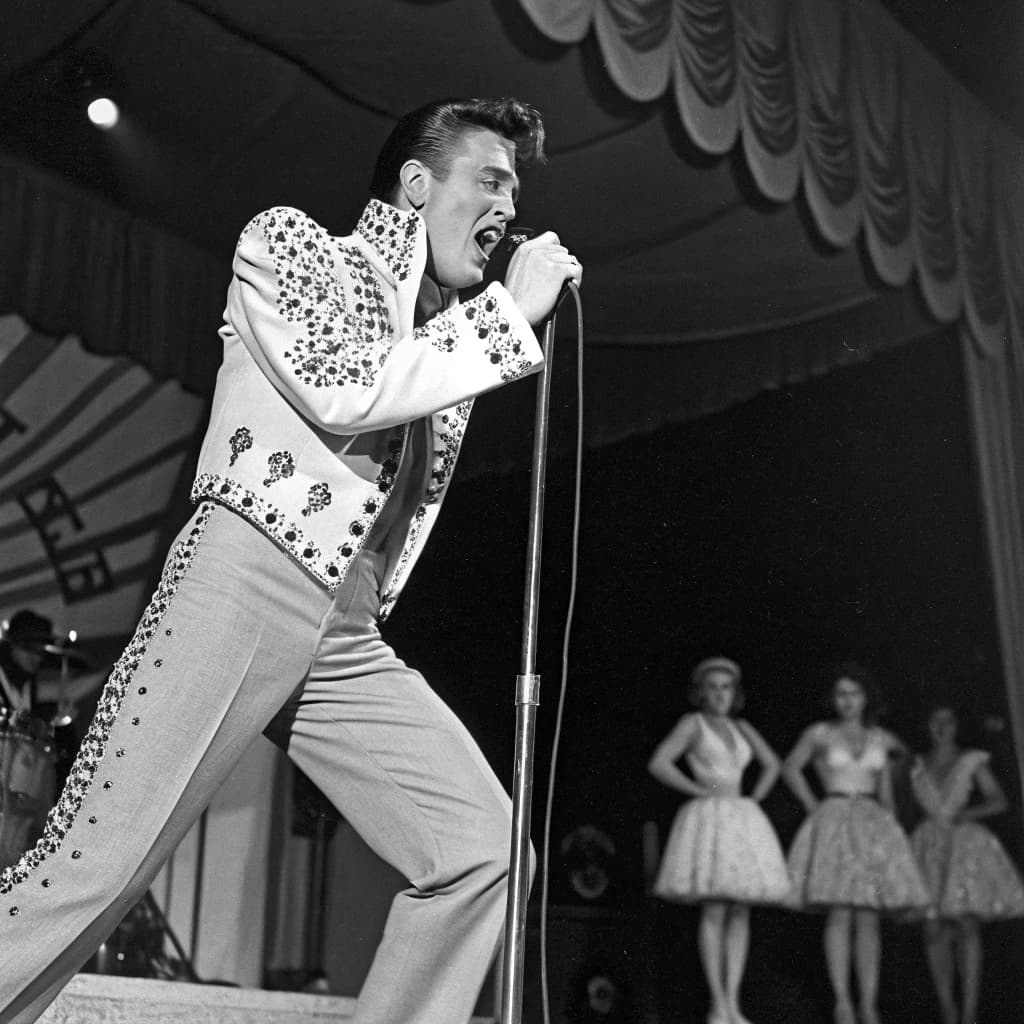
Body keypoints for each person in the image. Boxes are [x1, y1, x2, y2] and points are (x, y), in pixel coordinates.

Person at [0, 97, 583, 1024]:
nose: (510, 206)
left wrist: (490, 317)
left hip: (347, 629)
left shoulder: (445, 329)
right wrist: (508, 312)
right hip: (247, 576)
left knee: (484, 845)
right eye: (491, 179)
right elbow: (346, 387)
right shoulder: (293, 245)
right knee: (96, 867)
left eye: (515, 186)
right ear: (416, 182)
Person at [781, 662, 928, 1024]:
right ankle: (842, 1002)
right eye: (841, 694)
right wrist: (812, 804)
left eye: (854, 694)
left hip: (871, 820)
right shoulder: (819, 733)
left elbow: (892, 785)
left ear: (866, 698)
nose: (847, 701)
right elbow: (790, 768)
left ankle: (869, 1003)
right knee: (839, 910)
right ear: (833, 700)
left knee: (868, 916)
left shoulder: (881, 738)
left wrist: (894, 830)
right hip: (834, 814)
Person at [648, 656, 790, 1024]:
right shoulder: (692, 724)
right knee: (714, 909)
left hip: (739, 818)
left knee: (740, 909)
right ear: (700, 693)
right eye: (712, 687)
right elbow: (660, 762)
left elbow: (773, 763)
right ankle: (717, 1003)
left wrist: (755, 797)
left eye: (725, 687)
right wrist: (698, 789)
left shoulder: (740, 728)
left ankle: (733, 1001)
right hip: (709, 817)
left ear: (735, 692)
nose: (719, 694)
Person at [908, 702, 1024, 1024]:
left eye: (948, 720)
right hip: (929, 845)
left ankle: (970, 1013)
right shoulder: (916, 764)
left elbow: (999, 800)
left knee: (965, 923)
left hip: (962, 843)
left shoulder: (970, 759)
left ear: (957, 725)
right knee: (933, 929)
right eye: (935, 720)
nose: (942, 727)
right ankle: (948, 1008)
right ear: (927, 725)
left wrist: (967, 814)